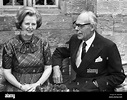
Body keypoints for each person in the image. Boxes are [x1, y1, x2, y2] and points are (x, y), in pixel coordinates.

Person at [52, 10, 126, 92]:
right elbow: (58, 52)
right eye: (76, 25)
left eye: (80, 26)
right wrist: (56, 69)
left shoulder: (108, 46)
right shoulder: (75, 40)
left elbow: (118, 76)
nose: (76, 29)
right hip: (76, 86)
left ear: (92, 27)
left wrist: (96, 84)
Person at [2, 6, 52, 92]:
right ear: (20, 24)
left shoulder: (43, 43)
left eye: (33, 24)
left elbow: (48, 67)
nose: (30, 27)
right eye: (27, 24)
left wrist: (37, 84)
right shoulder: (10, 45)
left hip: (40, 86)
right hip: (16, 87)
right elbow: (6, 72)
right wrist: (21, 87)